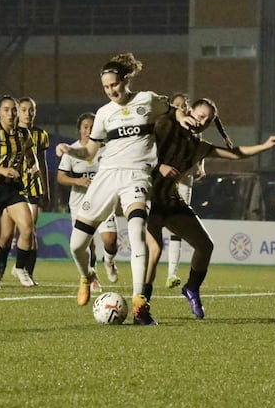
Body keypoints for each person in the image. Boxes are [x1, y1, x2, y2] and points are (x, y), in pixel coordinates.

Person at [55, 52, 195, 325]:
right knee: (76, 245)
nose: (111, 91)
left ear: (125, 80)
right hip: (106, 176)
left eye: (114, 85)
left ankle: (140, 304)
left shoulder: (147, 99)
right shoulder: (104, 114)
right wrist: (69, 149)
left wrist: (183, 117)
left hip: (137, 176)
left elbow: (173, 108)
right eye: (106, 87)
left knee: (136, 232)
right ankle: (87, 276)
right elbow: (90, 150)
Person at [144, 97, 275, 318]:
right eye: (200, 116)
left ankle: (191, 288)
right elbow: (139, 148)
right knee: (153, 253)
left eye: (208, 121)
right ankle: (141, 306)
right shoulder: (165, 125)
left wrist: (266, 145)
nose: (202, 122)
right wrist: (159, 165)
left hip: (170, 201)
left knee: (205, 246)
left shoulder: (197, 146)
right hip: (146, 198)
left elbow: (235, 154)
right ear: (189, 111)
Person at [0, 95, 39, 290]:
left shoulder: (24, 135)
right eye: (6, 109)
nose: (11, 113)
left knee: (28, 228)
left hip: (13, 188)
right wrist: (3, 170)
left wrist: (34, 168)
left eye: (13, 109)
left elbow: (31, 157)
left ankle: (20, 268)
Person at [56, 112, 119, 291]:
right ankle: (92, 275)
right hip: (80, 203)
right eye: (85, 127)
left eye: (92, 127)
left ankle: (109, 261)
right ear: (79, 130)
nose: (88, 130)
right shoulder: (72, 150)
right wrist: (78, 181)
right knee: (86, 243)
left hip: (103, 200)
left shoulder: (106, 150)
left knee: (111, 240)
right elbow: (61, 177)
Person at [164, 92, 206, 289]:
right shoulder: (166, 126)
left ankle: (172, 273)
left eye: (184, 105)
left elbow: (200, 147)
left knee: (177, 226)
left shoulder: (193, 127)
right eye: (178, 105)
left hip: (185, 180)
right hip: (166, 179)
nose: (181, 108)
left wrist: (201, 166)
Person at [15, 97, 49, 284]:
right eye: (24, 109)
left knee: (30, 231)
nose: (28, 113)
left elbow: (42, 163)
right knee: (5, 234)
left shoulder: (41, 135)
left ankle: (27, 272)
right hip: (11, 187)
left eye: (31, 110)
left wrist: (46, 189)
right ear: (18, 112)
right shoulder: (9, 133)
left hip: (33, 188)